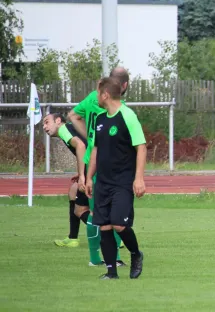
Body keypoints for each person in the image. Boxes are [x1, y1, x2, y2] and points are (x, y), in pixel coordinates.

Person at [67, 66, 131, 264]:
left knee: (100, 213)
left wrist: (91, 137)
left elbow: (72, 116)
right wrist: (94, 138)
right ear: (125, 85)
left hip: (94, 161)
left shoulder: (92, 98)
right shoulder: (116, 105)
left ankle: (100, 258)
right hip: (104, 162)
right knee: (107, 214)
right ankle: (106, 258)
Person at [86, 77, 147, 280]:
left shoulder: (128, 116)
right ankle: (111, 272)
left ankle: (136, 254)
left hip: (122, 181)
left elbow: (141, 146)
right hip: (102, 182)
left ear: (105, 94)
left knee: (119, 224)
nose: (96, 96)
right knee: (104, 226)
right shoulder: (100, 119)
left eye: (97, 92)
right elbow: (95, 149)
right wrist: (88, 178)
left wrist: (139, 179)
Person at [44, 113, 87, 248]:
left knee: (81, 210)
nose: (45, 127)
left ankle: (112, 235)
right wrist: (80, 172)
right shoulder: (68, 128)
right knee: (73, 191)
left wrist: (82, 176)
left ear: (58, 121)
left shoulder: (63, 129)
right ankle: (72, 238)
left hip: (97, 168)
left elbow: (81, 146)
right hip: (96, 166)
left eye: (46, 122)